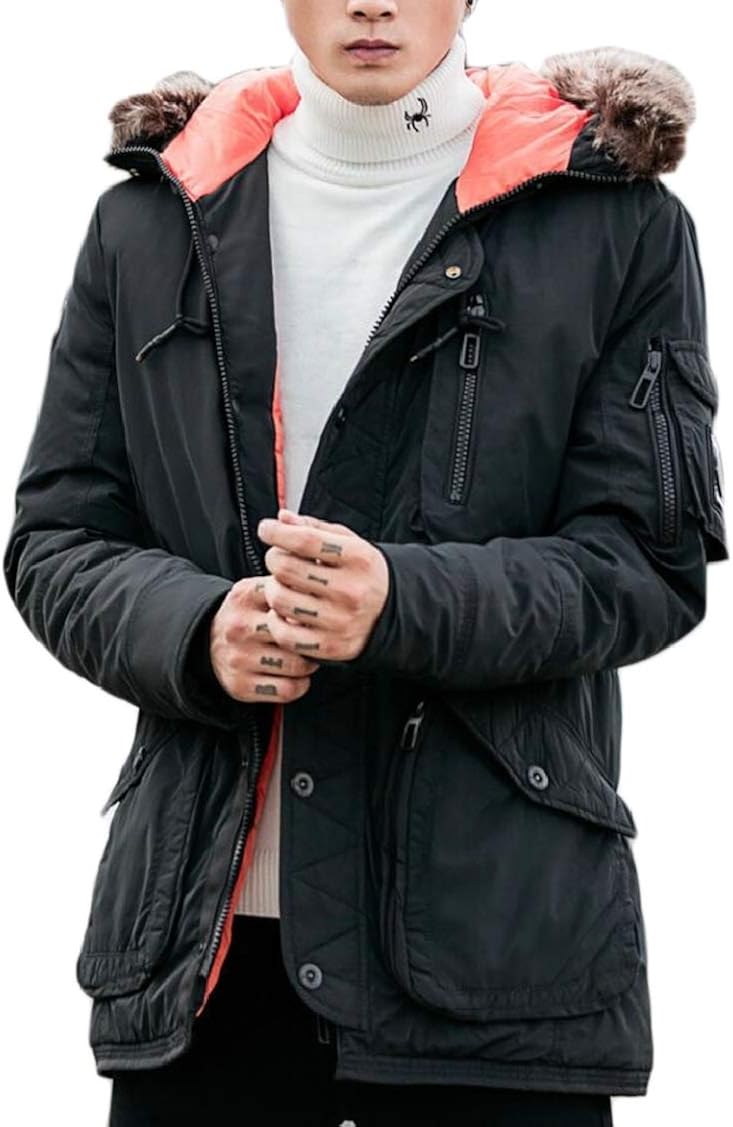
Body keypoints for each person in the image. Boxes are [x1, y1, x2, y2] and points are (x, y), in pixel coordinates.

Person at [3, 1, 727, 1124]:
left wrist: (402, 601)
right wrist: (196, 628)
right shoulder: (151, 217)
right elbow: (57, 536)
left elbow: (646, 558)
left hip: (491, 962)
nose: (371, 1)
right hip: (201, 960)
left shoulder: (613, 216)